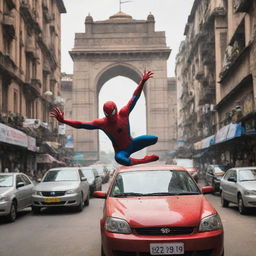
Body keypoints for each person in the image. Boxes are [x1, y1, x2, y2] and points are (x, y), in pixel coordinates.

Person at [50, 70, 159, 166]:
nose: (110, 117)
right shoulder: (102, 123)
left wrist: (142, 82)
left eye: (112, 113)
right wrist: (64, 121)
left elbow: (134, 98)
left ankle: (141, 158)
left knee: (154, 139)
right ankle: (143, 161)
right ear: (105, 114)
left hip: (132, 143)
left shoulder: (124, 113)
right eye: (108, 115)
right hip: (122, 151)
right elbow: (81, 124)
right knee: (120, 159)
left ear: (115, 110)